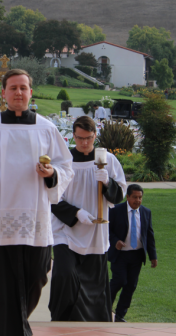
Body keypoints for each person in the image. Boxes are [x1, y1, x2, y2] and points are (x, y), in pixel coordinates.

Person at [0, 69, 74, 336]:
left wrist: (52, 174)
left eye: (23, 88)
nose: (18, 93)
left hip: (33, 219)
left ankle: (14, 328)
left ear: (31, 92)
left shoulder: (46, 128)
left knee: (36, 277)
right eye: (13, 88)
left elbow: (66, 166)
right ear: (4, 93)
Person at [49, 116, 127, 322]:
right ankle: (61, 320)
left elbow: (120, 195)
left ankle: (93, 324)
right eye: (79, 138)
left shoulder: (108, 160)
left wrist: (109, 182)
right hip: (65, 229)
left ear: (95, 136)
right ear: (73, 136)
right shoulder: (64, 160)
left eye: (89, 138)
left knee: (94, 283)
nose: (84, 143)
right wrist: (75, 213)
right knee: (64, 275)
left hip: (95, 231)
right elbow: (51, 195)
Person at [108, 184, 157, 322]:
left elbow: (149, 235)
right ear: (127, 197)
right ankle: (104, 309)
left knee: (130, 286)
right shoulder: (116, 210)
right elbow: (107, 229)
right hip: (120, 254)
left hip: (136, 255)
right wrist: (116, 241)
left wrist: (153, 256)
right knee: (119, 281)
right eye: (135, 197)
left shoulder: (146, 212)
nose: (138, 200)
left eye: (140, 197)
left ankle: (120, 315)